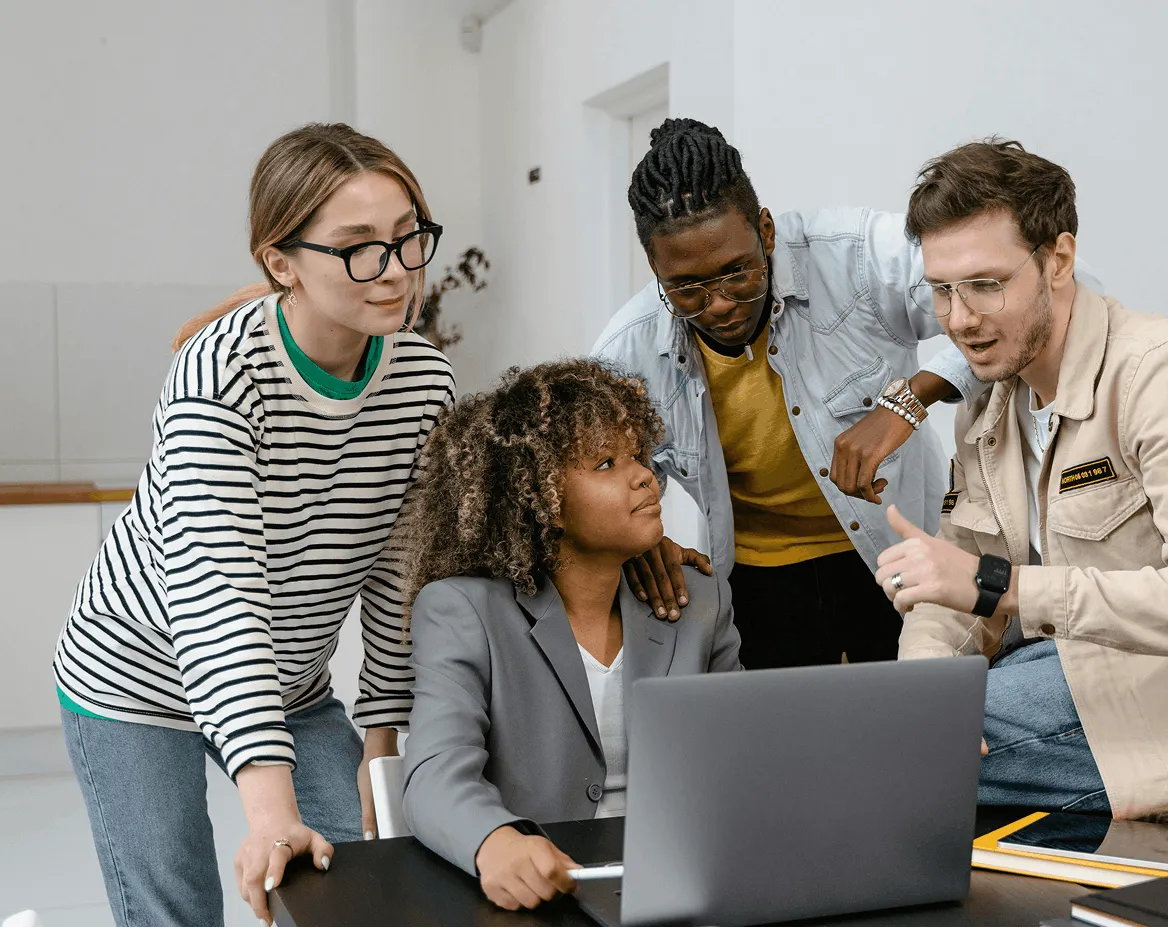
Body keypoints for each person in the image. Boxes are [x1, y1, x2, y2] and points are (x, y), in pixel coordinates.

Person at [51, 123, 455, 927]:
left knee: (362, 885)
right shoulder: (218, 378)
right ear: (280, 262)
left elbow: (399, 575)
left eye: (410, 239)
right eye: (359, 247)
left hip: (293, 683)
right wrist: (268, 809)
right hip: (138, 678)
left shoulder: (422, 379)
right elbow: (217, 595)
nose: (397, 272)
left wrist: (381, 751)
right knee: (181, 912)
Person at [875, 139, 1168, 820]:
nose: (960, 319)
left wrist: (1005, 587)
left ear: (1060, 260)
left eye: (987, 284)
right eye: (942, 290)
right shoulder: (989, 407)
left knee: (881, 776)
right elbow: (950, 598)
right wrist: (925, 703)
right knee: (884, 740)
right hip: (1073, 681)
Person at [595, 118, 1104, 670]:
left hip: (900, 550)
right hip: (760, 585)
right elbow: (591, 473)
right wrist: (635, 541)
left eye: (736, 272)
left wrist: (908, 400)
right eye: (686, 287)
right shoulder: (630, 348)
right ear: (655, 269)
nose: (717, 303)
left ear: (765, 232)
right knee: (794, 747)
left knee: (917, 729)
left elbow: (1055, 299)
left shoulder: (855, 258)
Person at [398, 359, 742, 912]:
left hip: (686, 891)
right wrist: (494, 842)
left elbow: (745, 758)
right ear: (540, 498)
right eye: (606, 463)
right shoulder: (464, 610)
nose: (643, 477)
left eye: (639, 456)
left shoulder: (698, 600)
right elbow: (434, 775)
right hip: (541, 899)